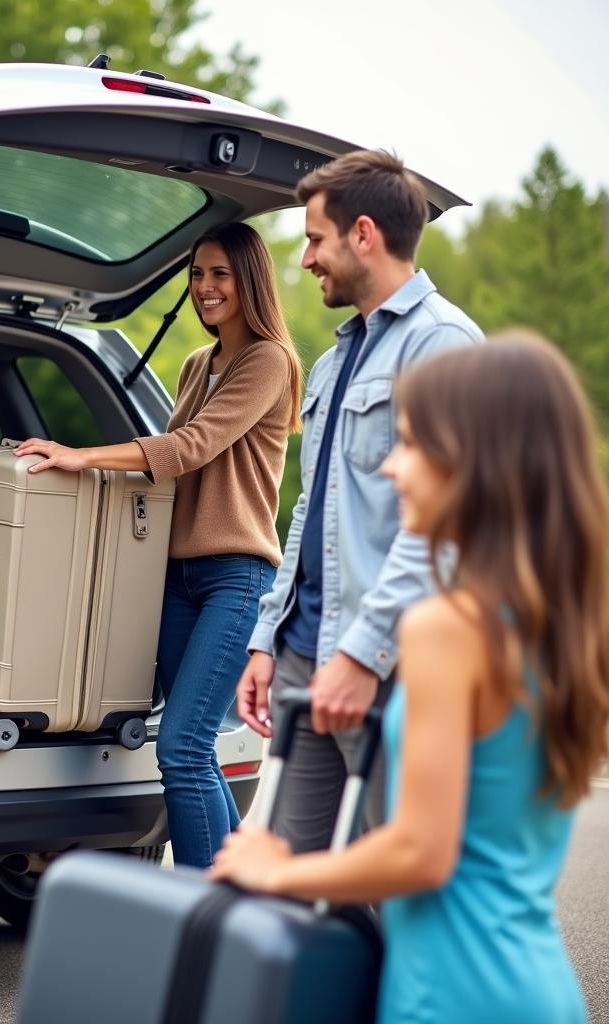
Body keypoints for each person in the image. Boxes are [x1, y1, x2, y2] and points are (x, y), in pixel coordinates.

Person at [211, 334, 606, 1023]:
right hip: (534, 988)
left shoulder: (447, 628)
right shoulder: (562, 621)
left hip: (452, 993)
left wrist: (277, 870)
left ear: (476, 463)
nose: (392, 468)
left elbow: (422, 852)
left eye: (414, 444)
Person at [14, 222, 301, 868]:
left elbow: (188, 449)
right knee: (191, 750)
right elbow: (164, 473)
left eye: (220, 275)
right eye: (197, 275)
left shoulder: (269, 361)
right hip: (179, 580)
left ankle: (206, 916)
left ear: (250, 281)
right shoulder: (199, 364)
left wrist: (81, 455)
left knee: (181, 745)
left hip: (236, 578)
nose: (205, 288)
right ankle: (238, 895)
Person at [236, 149, 483, 852]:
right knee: (293, 891)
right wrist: (268, 637)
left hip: (385, 669)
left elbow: (443, 530)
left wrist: (363, 655)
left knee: (389, 890)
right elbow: (313, 510)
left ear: (364, 234)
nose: (308, 259)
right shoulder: (333, 359)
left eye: (316, 239)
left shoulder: (443, 346)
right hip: (304, 655)